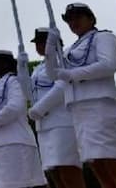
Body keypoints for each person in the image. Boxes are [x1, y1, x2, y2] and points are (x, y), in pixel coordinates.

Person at [44, 4, 116, 188]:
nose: (74, 22)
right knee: (98, 166)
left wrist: (73, 75)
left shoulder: (103, 37)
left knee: (115, 163)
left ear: (91, 19)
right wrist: (50, 47)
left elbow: (108, 65)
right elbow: (53, 74)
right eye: (70, 19)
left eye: (79, 17)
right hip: (79, 110)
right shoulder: (69, 50)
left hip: (101, 105)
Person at [0, 50, 46, 188]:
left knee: (17, 184)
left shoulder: (15, 81)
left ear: (5, 63)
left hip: (15, 140)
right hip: (0, 142)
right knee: (5, 184)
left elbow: (16, 106)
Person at [26, 28, 85, 188]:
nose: (38, 46)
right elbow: (30, 92)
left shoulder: (63, 59)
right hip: (44, 125)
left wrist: (40, 108)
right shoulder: (38, 68)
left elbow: (62, 86)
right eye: (37, 43)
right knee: (53, 173)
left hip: (62, 121)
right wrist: (21, 70)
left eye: (42, 42)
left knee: (68, 168)